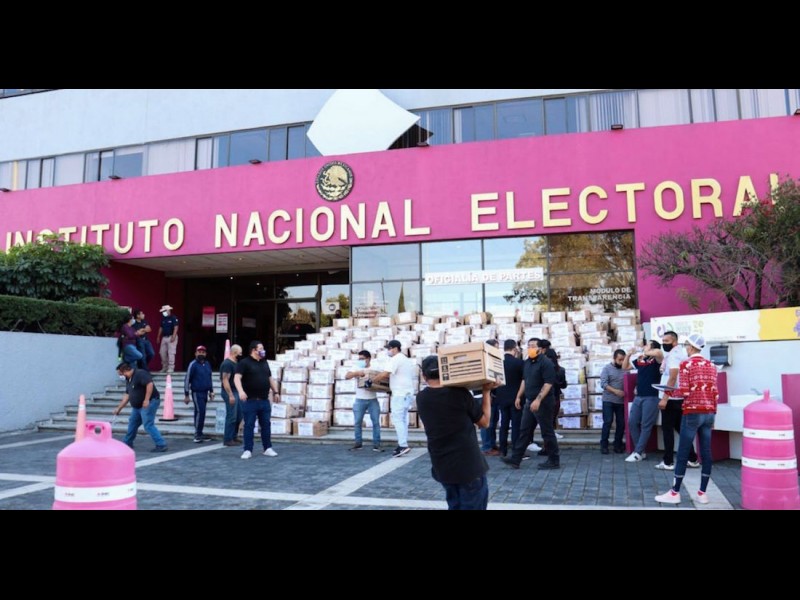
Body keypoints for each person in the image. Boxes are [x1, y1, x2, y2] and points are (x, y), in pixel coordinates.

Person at [416, 355, 496, 510]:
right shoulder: (460, 393)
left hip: (442, 465)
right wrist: (486, 392)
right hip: (468, 465)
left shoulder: (421, 398)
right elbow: (485, 422)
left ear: (424, 376)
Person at [655, 334, 719, 505]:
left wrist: (666, 391)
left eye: (686, 346)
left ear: (690, 347)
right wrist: (713, 415)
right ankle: (702, 493)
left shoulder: (686, 364)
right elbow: (715, 392)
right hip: (709, 412)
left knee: (683, 452)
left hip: (692, 412)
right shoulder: (711, 365)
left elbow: (683, 391)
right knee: (706, 452)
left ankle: (675, 492)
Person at [502, 338, 560, 469]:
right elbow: (524, 380)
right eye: (528, 346)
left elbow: (548, 384)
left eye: (533, 346)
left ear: (540, 349)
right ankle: (516, 459)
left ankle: (554, 460)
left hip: (543, 402)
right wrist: (518, 396)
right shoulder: (527, 362)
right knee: (524, 430)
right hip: (529, 401)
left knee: (547, 431)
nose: (530, 348)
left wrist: (538, 400)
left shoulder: (546, 363)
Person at [655, 331, 699, 470]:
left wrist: (665, 398)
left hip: (671, 398)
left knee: (667, 430)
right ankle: (692, 458)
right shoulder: (681, 353)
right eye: (663, 341)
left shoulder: (674, 356)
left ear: (674, 341)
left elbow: (673, 377)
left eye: (667, 341)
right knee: (681, 429)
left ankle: (668, 461)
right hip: (679, 397)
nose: (664, 343)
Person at [369, 340, 416, 457]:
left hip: (400, 394)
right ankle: (403, 443)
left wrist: (371, 381)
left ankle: (403, 445)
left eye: (389, 348)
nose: (388, 351)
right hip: (406, 393)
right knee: (403, 420)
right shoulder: (405, 359)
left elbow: (385, 374)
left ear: (395, 348)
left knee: (398, 419)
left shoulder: (396, 359)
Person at [234, 340, 280, 460]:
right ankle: (248, 449)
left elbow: (270, 378)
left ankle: (267, 448)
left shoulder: (264, 362)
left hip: (264, 400)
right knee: (249, 425)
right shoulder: (244, 363)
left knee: (266, 425)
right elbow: (237, 378)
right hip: (250, 400)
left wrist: (276, 391)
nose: (263, 351)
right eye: (261, 349)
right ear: (254, 350)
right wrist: (241, 391)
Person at [112, 362, 167, 452]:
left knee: (148, 424)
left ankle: (161, 444)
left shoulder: (140, 374)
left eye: (121, 374)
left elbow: (149, 384)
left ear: (125, 371)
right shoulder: (128, 379)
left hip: (149, 402)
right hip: (137, 406)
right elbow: (127, 395)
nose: (121, 376)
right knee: (133, 423)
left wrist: (146, 400)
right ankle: (127, 443)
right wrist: (119, 408)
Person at [624, 340, 662, 462]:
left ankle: (638, 452)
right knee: (632, 422)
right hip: (639, 396)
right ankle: (640, 451)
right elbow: (625, 367)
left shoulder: (657, 359)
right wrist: (628, 354)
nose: (644, 346)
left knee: (646, 425)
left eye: (647, 344)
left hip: (651, 396)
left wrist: (645, 351)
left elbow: (658, 352)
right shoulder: (641, 359)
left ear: (652, 347)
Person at [345, 350, 383, 452]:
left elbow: (382, 377)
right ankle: (358, 444)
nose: (360, 361)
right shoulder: (356, 367)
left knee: (376, 422)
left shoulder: (375, 368)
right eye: (359, 359)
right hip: (359, 399)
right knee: (358, 422)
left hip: (372, 399)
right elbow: (347, 376)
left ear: (368, 359)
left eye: (362, 359)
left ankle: (377, 445)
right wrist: (357, 373)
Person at [495, 339, 525, 457]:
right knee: (516, 425)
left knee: (504, 424)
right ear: (514, 349)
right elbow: (524, 381)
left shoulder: (498, 363)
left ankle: (503, 449)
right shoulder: (519, 363)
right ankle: (516, 450)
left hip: (502, 397)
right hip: (516, 398)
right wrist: (519, 396)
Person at [184, 345, 214, 443]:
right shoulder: (193, 364)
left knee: (202, 412)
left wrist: (211, 391)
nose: (201, 354)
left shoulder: (207, 364)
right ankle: (197, 434)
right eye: (199, 352)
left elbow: (209, 378)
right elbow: (187, 379)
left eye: (203, 352)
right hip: (197, 392)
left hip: (205, 392)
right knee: (200, 411)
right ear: (195, 353)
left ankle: (200, 432)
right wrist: (186, 394)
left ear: (205, 354)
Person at [599, 349, 627, 455]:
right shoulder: (607, 368)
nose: (622, 362)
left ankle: (617, 444)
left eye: (623, 360)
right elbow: (603, 384)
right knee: (608, 422)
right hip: (608, 400)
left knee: (621, 423)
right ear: (614, 359)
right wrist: (615, 391)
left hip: (621, 401)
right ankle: (604, 445)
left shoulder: (626, 368)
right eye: (620, 360)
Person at [479, 339, 502, 456]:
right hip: (486, 395)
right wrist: (487, 393)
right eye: (496, 348)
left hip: (494, 395)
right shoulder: (483, 360)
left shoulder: (493, 360)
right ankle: (487, 447)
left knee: (493, 422)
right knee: (487, 423)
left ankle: (492, 444)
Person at [220, 343, 243, 447]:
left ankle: (234, 436)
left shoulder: (236, 363)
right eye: (240, 353)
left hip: (236, 391)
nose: (241, 355)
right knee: (231, 416)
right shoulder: (227, 364)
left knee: (239, 415)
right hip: (230, 391)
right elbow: (225, 380)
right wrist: (230, 395)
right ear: (234, 352)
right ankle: (228, 439)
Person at [156, 304, 179, 373]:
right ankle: (164, 367)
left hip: (171, 336)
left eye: (164, 311)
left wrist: (174, 336)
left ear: (168, 310)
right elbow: (161, 328)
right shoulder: (163, 318)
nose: (163, 313)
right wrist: (158, 336)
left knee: (171, 353)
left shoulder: (173, 318)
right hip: (164, 337)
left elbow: (176, 327)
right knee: (162, 352)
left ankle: (171, 367)